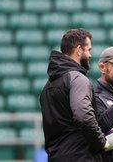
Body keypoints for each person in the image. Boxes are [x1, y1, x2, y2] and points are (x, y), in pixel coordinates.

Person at [39, 28, 108, 161]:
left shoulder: (47, 88)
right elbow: (83, 116)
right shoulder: (77, 78)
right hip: (80, 157)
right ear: (79, 50)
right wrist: (101, 142)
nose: (90, 55)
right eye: (89, 50)